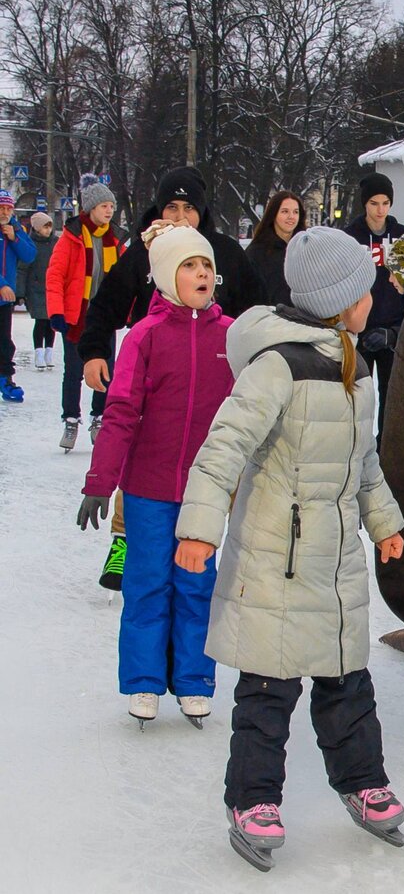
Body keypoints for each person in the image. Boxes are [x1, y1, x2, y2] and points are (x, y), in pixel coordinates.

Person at [174, 227, 404, 871]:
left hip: (336, 562)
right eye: (366, 289)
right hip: (277, 556)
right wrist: (198, 527)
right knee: (268, 690)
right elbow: (223, 447)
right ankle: (252, 800)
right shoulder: (276, 366)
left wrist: (383, 521)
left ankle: (362, 782)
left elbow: (365, 463)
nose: (374, 298)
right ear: (339, 300)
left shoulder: (357, 365)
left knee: (347, 683)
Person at [75, 166, 264, 592]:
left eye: (188, 209)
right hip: (150, 378)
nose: (179, 217)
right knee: (142, 455)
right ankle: (125, 541)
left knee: (207, 470)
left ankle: (203, 553)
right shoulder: (143, 254)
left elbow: (258, 311)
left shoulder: (226, 254)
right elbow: (105, 306)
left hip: (210, 385)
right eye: (171, 208)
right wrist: (91, 353)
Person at [75, 226, 233, 729]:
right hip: (146, 486)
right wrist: (101, 480)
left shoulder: (230, 336)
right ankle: (144, 681)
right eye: (189, 266)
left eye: (205, 265)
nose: (201, 273)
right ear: (166, 276)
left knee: (195, 585)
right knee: (146, 584)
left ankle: (192, 680)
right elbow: (120, 412)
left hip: (204, 492)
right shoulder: (145, 335)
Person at [46, 176, 125, 450]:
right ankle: (71, 418)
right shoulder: (72, 237)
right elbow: (55, 276)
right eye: (104, 205)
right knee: (74, 371)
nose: (109, 211)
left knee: (107, 371)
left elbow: (126, 278)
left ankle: (99, 417)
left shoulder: (115, 240)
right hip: (77, 317)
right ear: (91, 208)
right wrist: (56, 312)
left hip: (105, 318)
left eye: (111, 206)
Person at [343, 172, 404, 442]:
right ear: (364, 204)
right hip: (359, 329)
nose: (380, 210)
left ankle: (386, 450)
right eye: (374, 203)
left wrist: (396, 329)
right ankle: (354, 447)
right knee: (357, 397)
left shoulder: (403, 236)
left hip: (392, 332)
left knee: (392, 397)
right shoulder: (350, 237)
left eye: (385, 203)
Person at [0, 189, 37, 402]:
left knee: (4, 341)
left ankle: (5, 378)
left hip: (5, 299)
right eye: (1, 208)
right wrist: (2, 284)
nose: (5, 212)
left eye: (8, 208)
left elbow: (29, 255)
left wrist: (14, 238)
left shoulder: (15, 228)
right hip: (4, 290)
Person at [246, 191, 305, 307]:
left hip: (304, 320)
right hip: (270, 319)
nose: (291, 217)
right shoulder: (256, 252)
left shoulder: (306, 248)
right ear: (273, 214)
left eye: (296, 212)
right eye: (285, 211)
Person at [16, 211, 56, 370]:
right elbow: (22, 269)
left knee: (51, 322)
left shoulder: (55, 243)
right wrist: (20, 293)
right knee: (41, 321)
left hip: (52, 288)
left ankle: (49, 352)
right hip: (36, 289)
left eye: (49, 227)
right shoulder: (30, 244)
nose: (48, 230)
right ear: (37, 228)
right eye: (45, 227)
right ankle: (39, 353)